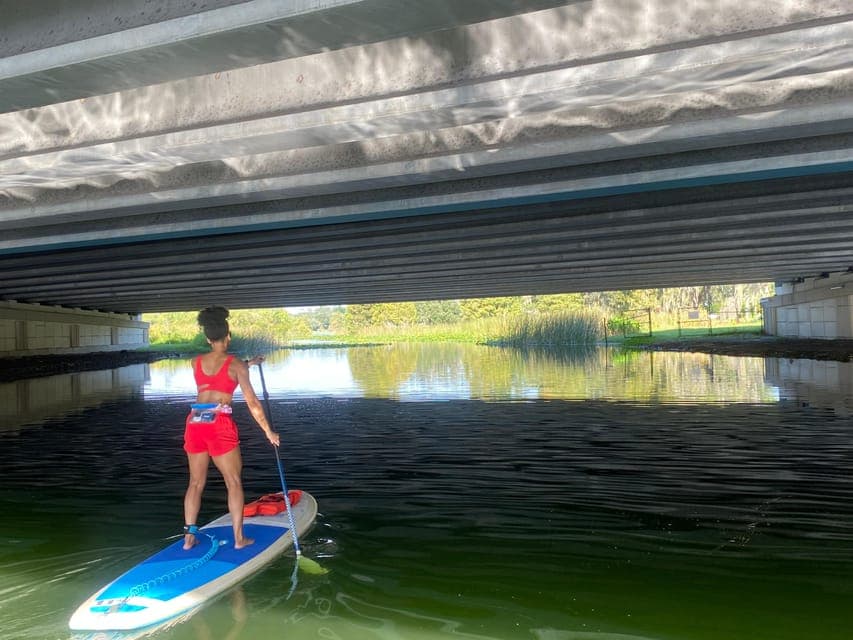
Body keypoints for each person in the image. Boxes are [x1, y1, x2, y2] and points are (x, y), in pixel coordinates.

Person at [183, 306, 280, 551]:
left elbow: (217, 374)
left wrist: (249, 363)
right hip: (218, 424)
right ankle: (239, 539)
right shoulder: (236, 365)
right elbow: (252, 402)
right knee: (233, 481)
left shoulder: (196, 362)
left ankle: (188, 538)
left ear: (207, 338)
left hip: (195, 421)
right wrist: (268, 431)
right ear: (229, 336)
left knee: (195, 483)